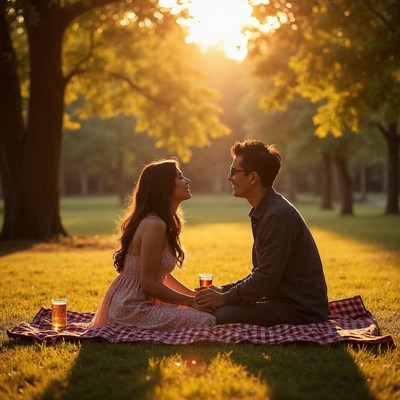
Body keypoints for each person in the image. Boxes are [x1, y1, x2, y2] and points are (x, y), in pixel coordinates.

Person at [195, 140, 328, 327]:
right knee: (218, 309)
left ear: (253, 177)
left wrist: (223, 299)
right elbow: (262, 274)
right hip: (280, 300)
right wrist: (221, 291)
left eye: (234, 172)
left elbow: (266, 278)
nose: (229, 177)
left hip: (300, 309)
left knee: (222, 314)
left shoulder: (277, 216)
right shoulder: (266, 210)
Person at [90, 159, 216, 331]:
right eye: (180, 177)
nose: (187, 181)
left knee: (204, 313)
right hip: (130, 307)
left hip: (142, 301)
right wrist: (190, 301)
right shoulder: (154, 224)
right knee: (205, 320)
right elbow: (148, 283)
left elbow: (160, 274)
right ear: (164, 187)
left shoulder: (162, 222)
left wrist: (193, 296)